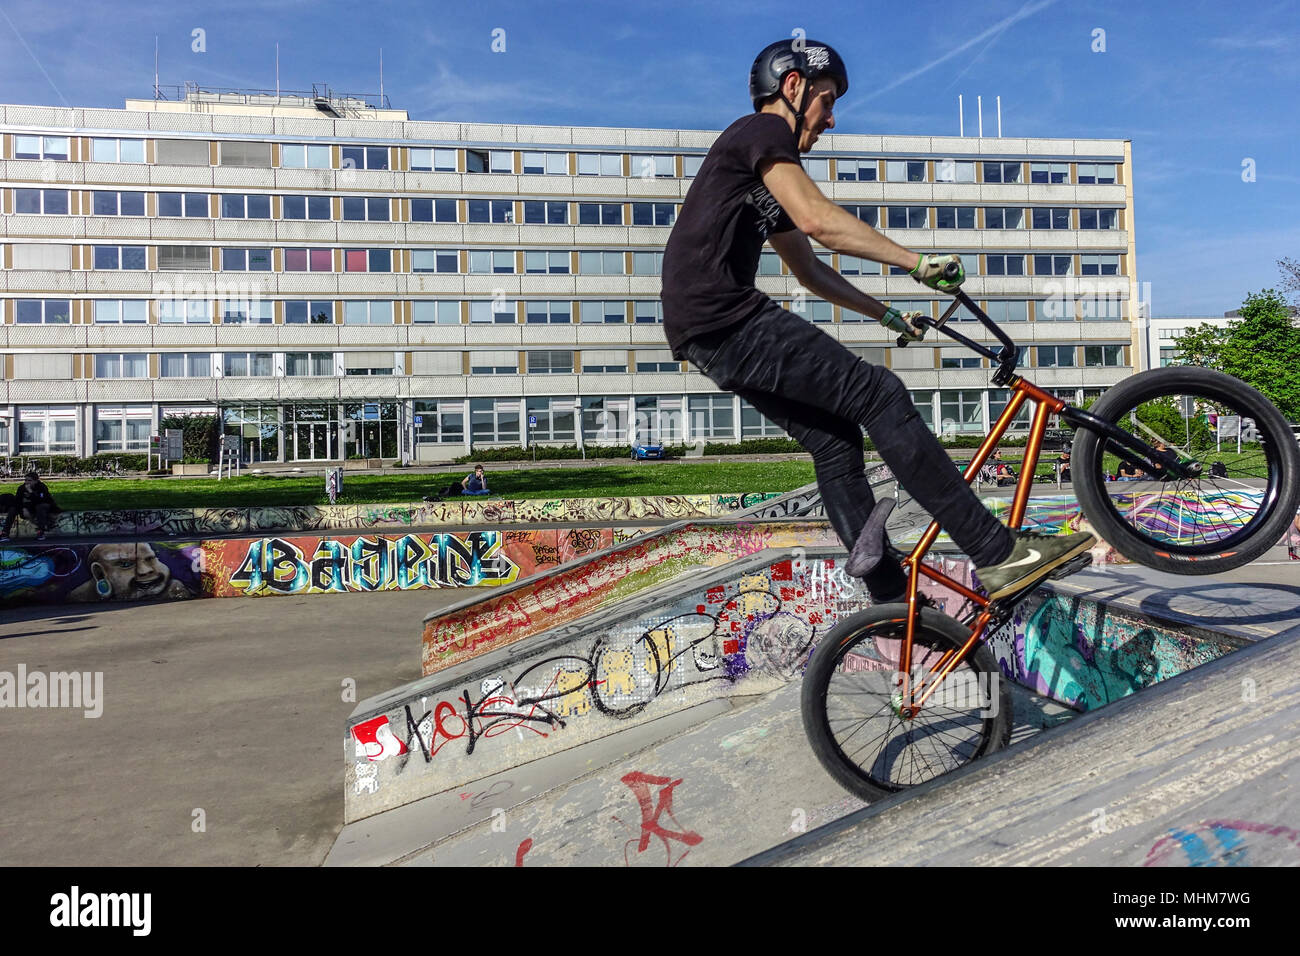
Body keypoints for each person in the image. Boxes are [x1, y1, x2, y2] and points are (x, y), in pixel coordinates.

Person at [660, 39, 1094, 603]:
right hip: (727, 315)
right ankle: (996, 552)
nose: (831, 119)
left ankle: (890, 597)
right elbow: (820, 220)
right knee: (881, 396)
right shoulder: (762, 132)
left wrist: (888, 313)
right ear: (792, 88)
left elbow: (811, 269)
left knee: (835, 442)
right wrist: (916, 263)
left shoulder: (758, 174)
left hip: (705, 334)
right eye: (826, 99)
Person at [1, 470, 62, 542]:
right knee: (13, 509)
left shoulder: (41, 487)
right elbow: (17, 501)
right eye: (26, 480)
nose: (27, 482)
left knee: (40, 507)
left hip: (43, 505)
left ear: (36, 481)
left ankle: (41, 532)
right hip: (28, 507)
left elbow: (41, 500)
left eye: (30, 480)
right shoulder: (21, 488)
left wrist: (31, 492)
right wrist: (23, 509)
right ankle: (5, 533)